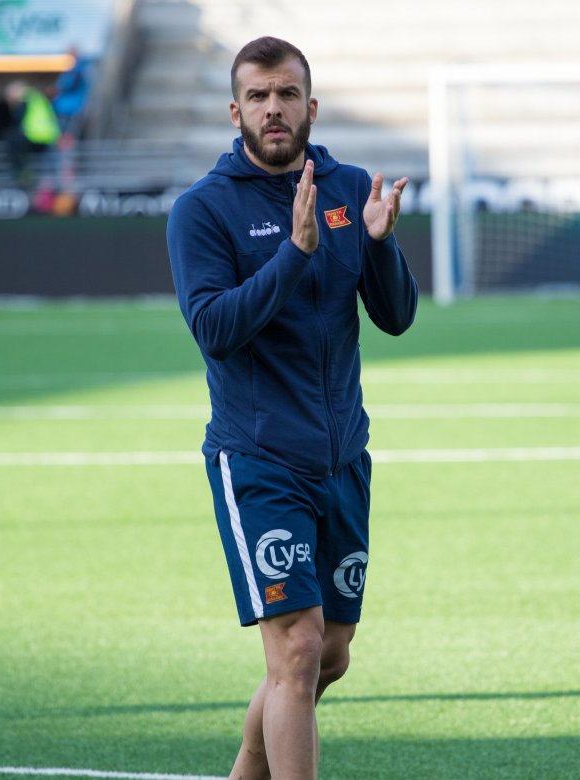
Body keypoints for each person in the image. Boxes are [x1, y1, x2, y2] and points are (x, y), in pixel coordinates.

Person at [166, 36, 417, 780]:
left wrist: (379, 245)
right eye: (257, 96)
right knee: (296, 649)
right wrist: (295, 253)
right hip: (259, 458)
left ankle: (249, 765)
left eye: (285, 95)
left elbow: (397, 316)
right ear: (234, 110)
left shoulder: (347, 185)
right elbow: (213, 327)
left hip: (343, 459)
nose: (272, 109)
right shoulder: (203, 210)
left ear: (310, 105)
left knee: (329, 656)